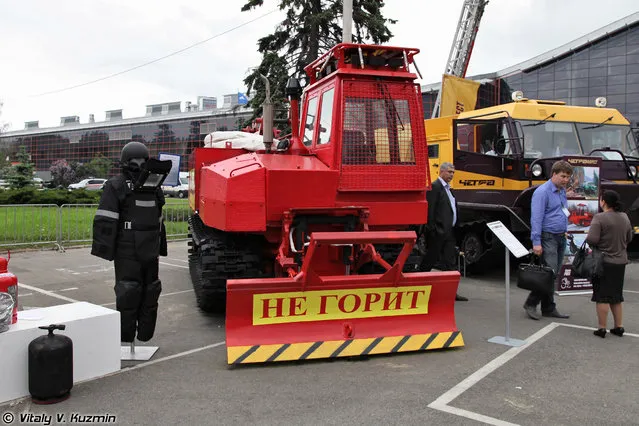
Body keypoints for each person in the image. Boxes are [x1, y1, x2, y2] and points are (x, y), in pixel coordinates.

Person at [91, 141, 168, 343]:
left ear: (124, 161)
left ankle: (126, 338)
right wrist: (160, 246)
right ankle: (144, 335)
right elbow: (160, 221)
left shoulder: (116, 185)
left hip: (128, 250)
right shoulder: (155, 186)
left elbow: (105, 220)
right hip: (150, 249)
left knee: (129, 291)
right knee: (150, 291)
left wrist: (105, 249)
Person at [524, 160, 573, 320]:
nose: (566, 180)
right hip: (548, 237)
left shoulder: (561, 191)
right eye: (563, 176)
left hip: (560, 236)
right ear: (554, 174)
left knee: (553, 274)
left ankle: (548, 307)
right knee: (548, 273)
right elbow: (536, 218)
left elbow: (562, 211)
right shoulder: (542, 192)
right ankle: (531, 303)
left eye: (568, 177)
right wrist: (536, 242)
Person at [586, 190, 633, 338]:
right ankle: (619, 326)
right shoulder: (624, 217)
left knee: (602, 296)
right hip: (620, 261)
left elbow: (592, 240)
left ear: (603, 202)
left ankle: (602, 328)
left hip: (603, 261)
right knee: (616, 296)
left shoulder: (600, 218)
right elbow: (629, 237)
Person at [420, 162, 468, 302]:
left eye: (453, 172)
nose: (452, 175)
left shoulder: (449, 189)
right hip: (438, 233)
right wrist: (433, 230)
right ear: (441, 172)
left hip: (449, 233)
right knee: (430, 261)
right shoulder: (435, 187)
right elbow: (431, 211)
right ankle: (418, 288)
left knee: (450, 263)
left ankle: (451, 293)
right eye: (449, 172)